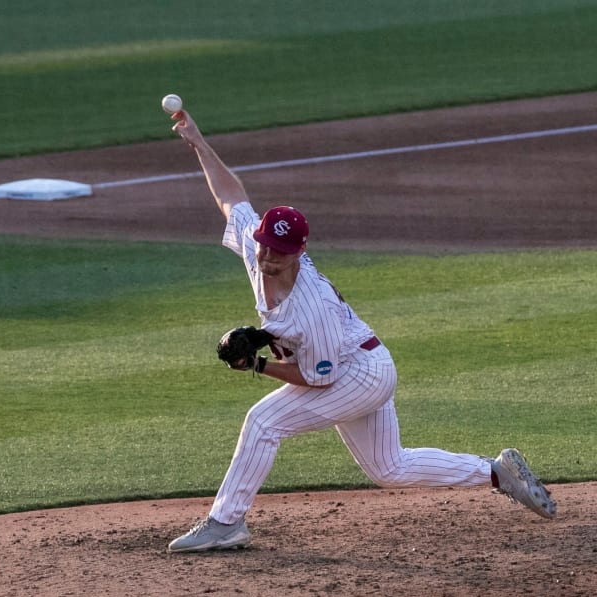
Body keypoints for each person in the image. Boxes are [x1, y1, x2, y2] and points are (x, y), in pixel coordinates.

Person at [166, 110, 556, 553]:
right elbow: (231, 196)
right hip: (359, 360)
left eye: (278, 252)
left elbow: (317, 379)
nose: (267, 258)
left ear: (300, 252)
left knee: (263, 422)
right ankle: (496, 472)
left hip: (359, 374)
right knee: (388, 468)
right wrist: (198, 141)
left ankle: (225, 523)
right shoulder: (258, 248)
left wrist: (257, 363)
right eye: (264, 246)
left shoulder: (313, 310)